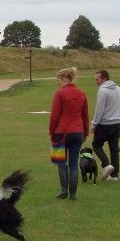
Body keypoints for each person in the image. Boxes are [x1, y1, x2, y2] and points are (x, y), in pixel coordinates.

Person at [49, 67, 89, 200]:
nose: (58, 83)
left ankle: (64, 190)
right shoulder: (82, 93)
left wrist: (51, 132)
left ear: (63, 79)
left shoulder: (59, 94)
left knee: (61, 162)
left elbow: (55, 116)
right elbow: (85, 116)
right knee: (73, 163)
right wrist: (85, 132)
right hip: (78, 131)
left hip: (62, 132)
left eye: (58, 80)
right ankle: (73, 194)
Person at [91, 70, 120, 182]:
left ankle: (106, 165)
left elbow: (99, 110)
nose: (96, 82)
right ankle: (114, 175)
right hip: (117, 123)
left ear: (104, 79)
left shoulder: (102, 91)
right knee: (114, 149)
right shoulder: (119, 89)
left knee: (96, 145)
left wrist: (94, 124)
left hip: (105, 124)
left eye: (97, 79)